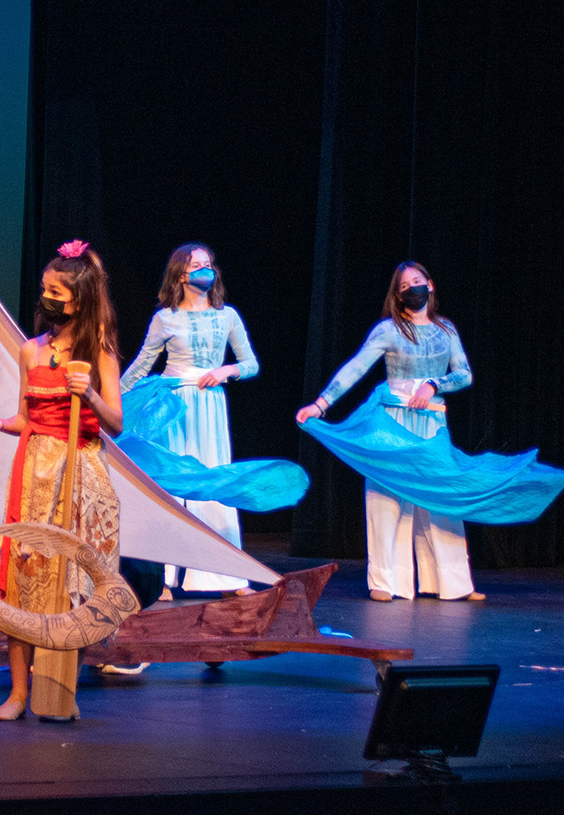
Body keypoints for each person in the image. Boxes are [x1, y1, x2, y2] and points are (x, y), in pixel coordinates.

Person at [0, 239, 123, 720]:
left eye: (56, 292)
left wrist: (90, 394)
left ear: (79, 299)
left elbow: (116, 422)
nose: (46, 298)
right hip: (34, 472)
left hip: (79, 473)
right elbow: (25, 418)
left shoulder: (98, 351)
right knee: (23, 578)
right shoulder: (30, 351)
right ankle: (18, 693)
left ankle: (60, 690)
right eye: (44, 289)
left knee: (72, 583)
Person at [296, 262, 484, 603]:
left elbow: (465, 374)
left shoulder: (446, 330)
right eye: (404, 286)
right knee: (387, 498)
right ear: (397, 296)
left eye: (417, 281)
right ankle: (385, 581)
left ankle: (455, 583)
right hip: (394, 422)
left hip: (431, 423)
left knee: (440, 496)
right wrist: (321, 405)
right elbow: (356, 367)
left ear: (430, 285)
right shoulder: (389, 330)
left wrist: (434, 384)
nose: (412, 288)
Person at [120, 243, 260, 594]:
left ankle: (225, 575)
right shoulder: (165, 318)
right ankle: (161, 579)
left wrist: (227, 371)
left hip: (210, 404)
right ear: (180, 274)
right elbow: (141, 366)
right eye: (196, 265)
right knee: (172, 483)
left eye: (208, 264)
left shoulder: (227, 316)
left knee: (212, 479)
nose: (204, 270)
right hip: (174, 406)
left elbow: (251, 364)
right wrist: (112, 401)